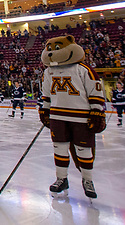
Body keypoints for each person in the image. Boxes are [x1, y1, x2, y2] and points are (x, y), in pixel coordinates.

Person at [39, 35, 105, 199]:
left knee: (84, 150)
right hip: (57, 116)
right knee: (59, 148)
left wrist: (96, 111)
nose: (52, 53)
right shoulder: (48, 72)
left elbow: (95, 91)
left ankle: (87, 180)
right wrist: (45, 110)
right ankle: (61, 178)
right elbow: (46, 93)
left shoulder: (83, 69)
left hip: (81, 116)